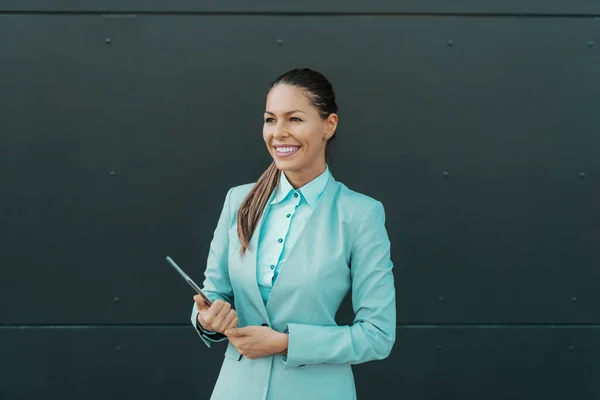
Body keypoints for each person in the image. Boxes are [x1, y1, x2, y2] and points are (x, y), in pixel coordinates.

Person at [190, 68, 396, 400]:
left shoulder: (359, 215)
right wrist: (207, 319)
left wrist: (287, 343)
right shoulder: (238, 201)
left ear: (329, 125)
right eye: (270, 120)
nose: (278, 132)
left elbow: (377, 335)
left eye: (295, 119)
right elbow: (214, 293)